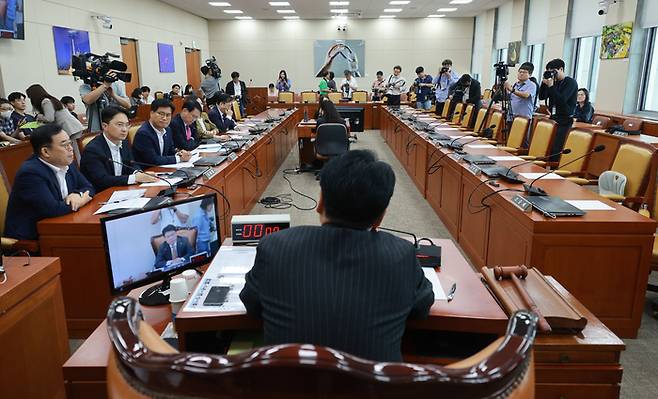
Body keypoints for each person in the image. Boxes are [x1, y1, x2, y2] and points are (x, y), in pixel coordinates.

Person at [239, 149, 434, 362]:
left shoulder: (275, 247)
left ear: (320, 202)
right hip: (373, 390)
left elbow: (252, 303)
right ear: (381, 216)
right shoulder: (401, 254)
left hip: (286, 387)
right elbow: (422, 307)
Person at [4, 124, 94, 240]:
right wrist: (82, 199)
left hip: (61, 227)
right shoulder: (30, 173)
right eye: (64, 145)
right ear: (45, 152)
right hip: (33, 242)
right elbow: (52, 209)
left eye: (70, 143)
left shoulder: (65, 162)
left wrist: (77, 194)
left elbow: (89, 187)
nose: (70, 148)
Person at [80, 106, 157, 192]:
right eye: (119, 125)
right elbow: (101, 180)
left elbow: (131, 164)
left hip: (122, 190)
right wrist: (134, 178)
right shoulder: (93, 150)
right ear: (105, 126)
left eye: (127, 125)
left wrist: (138, 173)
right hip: (102, 195)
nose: (124, 129)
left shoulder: (124, 143)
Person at [26, 84, 84, 161]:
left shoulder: (45, 101)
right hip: (71, 127)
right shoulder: (50, 99)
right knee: (75, 152)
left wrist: (39, 116)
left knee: (75, 153)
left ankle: (80, 169)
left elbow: (49, 118)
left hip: (70, 127)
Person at [538, 58, 579, 161]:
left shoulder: (570, 82)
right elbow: (542, 97)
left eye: (553, 71)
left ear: (561, 69)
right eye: (549, 71)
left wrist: (551, 87)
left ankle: (553, 169)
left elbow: (562, 100)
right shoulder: (553, 82)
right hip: (553, 118)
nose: (552, 74)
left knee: (557, 147)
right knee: (547, 145)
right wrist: (544, 83)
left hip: (565, 120)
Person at [132, 99, 192, 166]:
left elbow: (170, 151)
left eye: (168, 115)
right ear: (151, 113)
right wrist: (178, 158)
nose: (165, 118)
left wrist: (179, 154)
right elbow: (153, 160)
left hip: (163, 169)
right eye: (161, 114)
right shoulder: (144, 133)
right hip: (148, 172)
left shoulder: (168, 130)